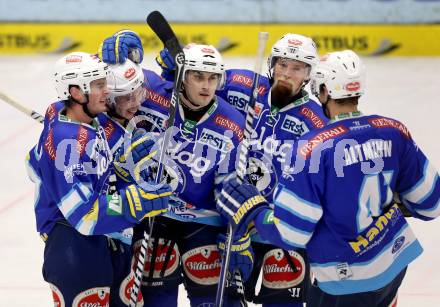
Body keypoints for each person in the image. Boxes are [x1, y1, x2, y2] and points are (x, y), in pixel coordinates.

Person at [215, 49, 440, 307]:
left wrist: (255, 210)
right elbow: (431, 204)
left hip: (342, 278)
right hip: (394, 262)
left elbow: (292, 233)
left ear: (322, 91)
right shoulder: (393, 130)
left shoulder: (310, 148)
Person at [157, 33, 326, 306]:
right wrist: (173, 70)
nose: (286, 74)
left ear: (308, 74)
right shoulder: (242, 86)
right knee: (227, 300)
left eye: (296, 68)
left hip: (280, 227)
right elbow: (200, 82)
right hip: (236, 223)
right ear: (271, 64)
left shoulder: (316, 121)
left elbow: (320, 182)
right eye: (282, 65)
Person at [101, 34, 250, 306]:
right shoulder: (155, 91)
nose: (206, 87)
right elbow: (109, 81)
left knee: (213, 299)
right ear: (182, 77)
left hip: (203, 220)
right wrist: (117, 50)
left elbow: (230, 184)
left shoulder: (231, 122)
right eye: (198, 77)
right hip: (156, 214)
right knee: (157, 298)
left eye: (212, 78)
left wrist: (238, 232)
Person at [25, 51, 171, 307]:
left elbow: (32, 162)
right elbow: (84, 213)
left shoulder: (82, 120)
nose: (107, 92)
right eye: (99, 85)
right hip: (73, 244)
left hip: (99, 239)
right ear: (77, 93)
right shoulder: (68, 143)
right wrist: (136, 200)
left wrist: (121, 168)